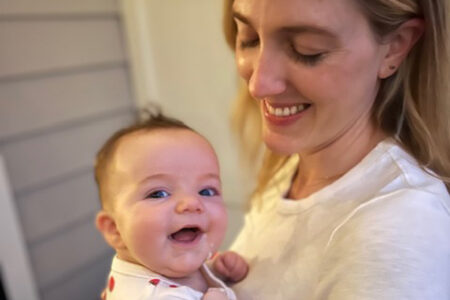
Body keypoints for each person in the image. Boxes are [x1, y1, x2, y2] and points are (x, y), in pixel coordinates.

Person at [212, 0, 450, 299]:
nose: (258, 85)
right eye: (249, 39)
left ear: (394, 47)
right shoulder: (290, 170)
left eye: (306, 50)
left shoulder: (398, 226)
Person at [94, 111, 248, 300]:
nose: (192, 202)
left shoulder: (157, 262)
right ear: (115, 229)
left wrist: (216, 269)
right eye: (159, 193)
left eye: (206, 191)